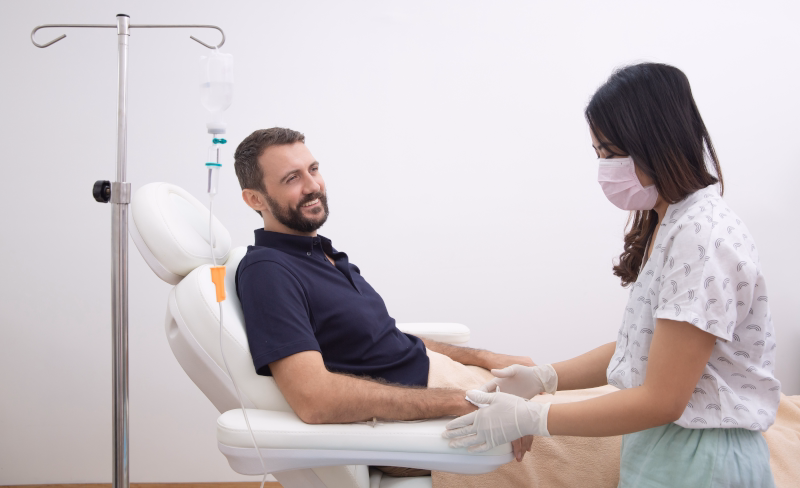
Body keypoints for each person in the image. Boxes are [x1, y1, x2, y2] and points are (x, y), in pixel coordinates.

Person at [443, 63, 780, 487]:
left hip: (702, 460)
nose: (603, 167)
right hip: (666, 450)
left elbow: (663, 398)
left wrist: (534, 416)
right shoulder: (672, 223)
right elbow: (641, 349)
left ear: (653, 142)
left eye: (609, 152)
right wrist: (545, 378)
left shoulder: (702, 234)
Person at [232, 127, 536, 475]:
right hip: (431, 415)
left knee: (593, 393)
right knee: (598, 430)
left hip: (450, 384)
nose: (313, 186)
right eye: (291, 178)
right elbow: (313, 398)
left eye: (313, 169)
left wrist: (485, 358)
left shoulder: (324, 256)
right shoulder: (268, 271)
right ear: (255, 199)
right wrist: (456, 400)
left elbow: (386, 337)